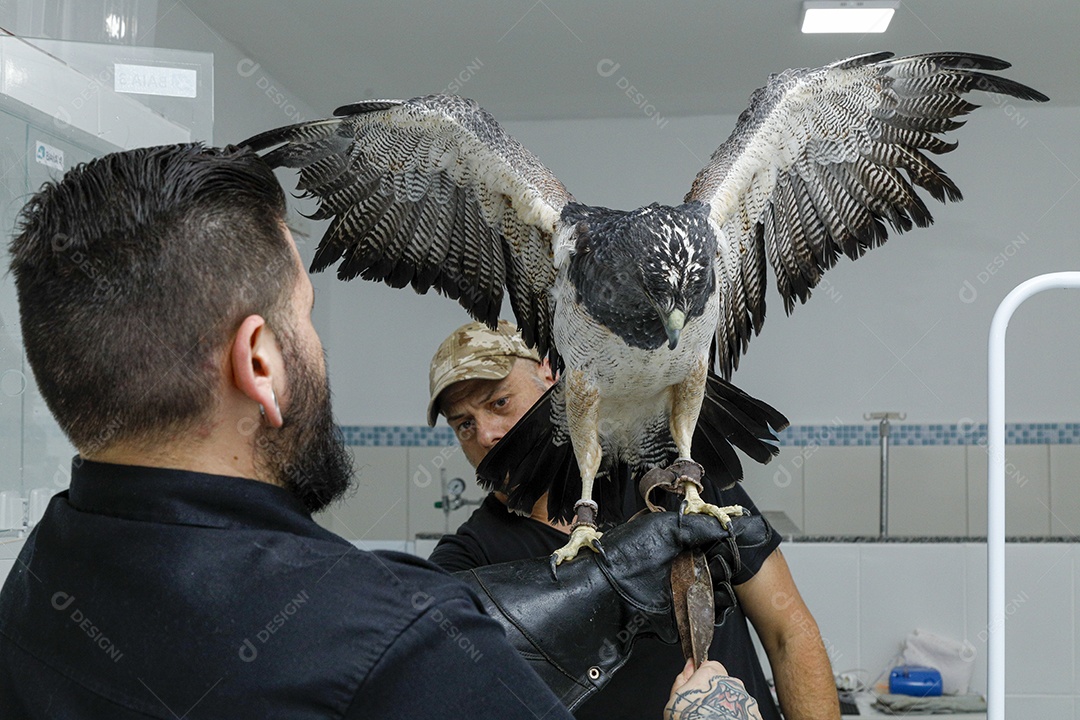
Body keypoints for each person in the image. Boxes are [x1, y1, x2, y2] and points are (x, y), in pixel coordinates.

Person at [0, 143, 764, 720]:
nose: (319, 346)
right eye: (305, 315)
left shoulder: (34, 588)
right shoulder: (400, 643)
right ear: (260, 362)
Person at [427, 320, 841, 720]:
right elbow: (436, 665)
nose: (485, 435)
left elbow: (789, 633)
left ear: (552, 377)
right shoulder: (471, 559)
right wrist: (614, 572)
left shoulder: (676, 476)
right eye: (464, 424)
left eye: (499, 403)